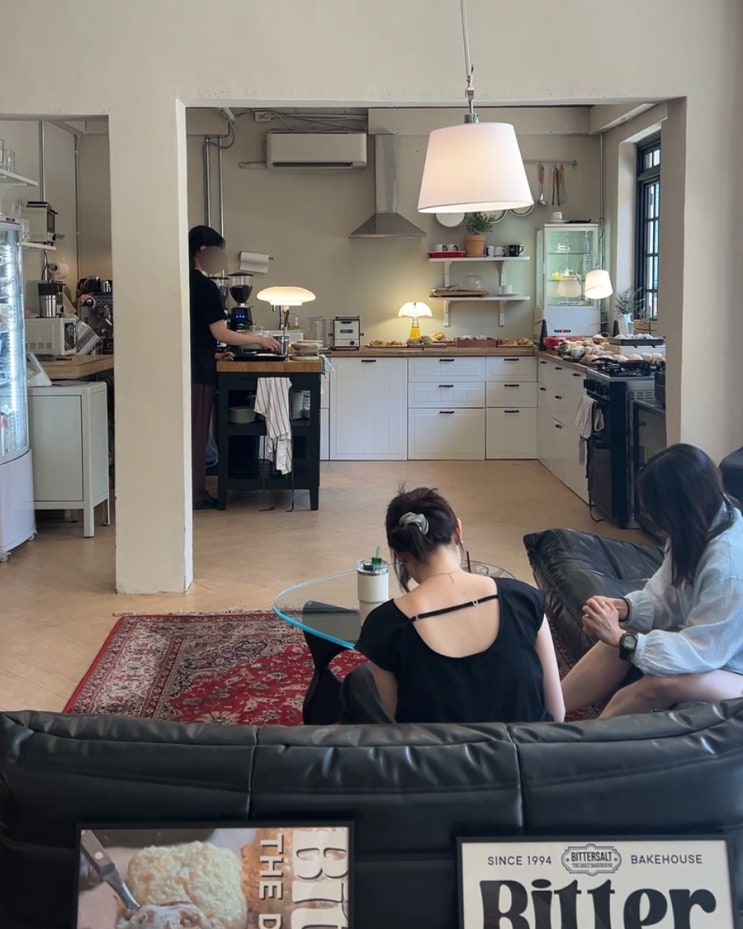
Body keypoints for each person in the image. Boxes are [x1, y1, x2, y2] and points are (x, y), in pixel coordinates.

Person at [340, 487, 565, 724]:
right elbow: (557, 714)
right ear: (458, 531)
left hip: (437, 750)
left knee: (359, 682)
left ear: (400, 555)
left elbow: (397, 729)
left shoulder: (385, 625)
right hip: (529, 748)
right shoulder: (523, 599)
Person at [562, 443, 743, 717]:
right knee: (625, 632)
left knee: (660, 683)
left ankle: (585, 742)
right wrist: (623, 608)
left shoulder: (728, 565)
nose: (655, 521)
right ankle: (544, 713)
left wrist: (623, 640)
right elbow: (664, 598)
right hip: (716, 647)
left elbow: (703, 652)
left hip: (731, 664)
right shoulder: (699, 524)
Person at [188, 225, 280, 509]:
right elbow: (221, 333)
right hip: (197, 372)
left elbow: (194, 332)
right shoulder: (204, 286)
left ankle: (189, 490)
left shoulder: (181, 281)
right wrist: (260, 340)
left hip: (188, 364)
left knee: (189, 433)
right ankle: (195, 494)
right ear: (203, 251)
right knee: (196, 434)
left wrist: (214, 354)